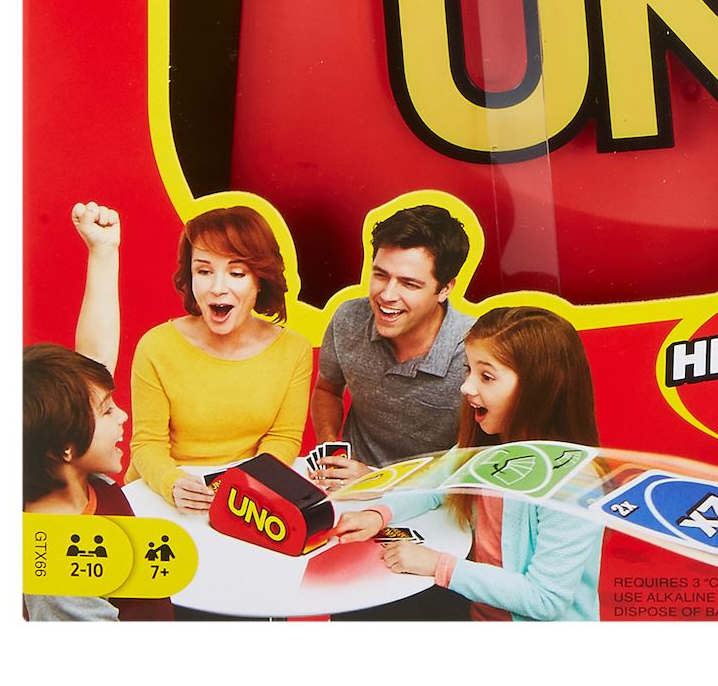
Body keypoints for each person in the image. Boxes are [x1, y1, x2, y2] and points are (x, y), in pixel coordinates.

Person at [334, 306, 602, 621]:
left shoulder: (574, 483)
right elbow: (431, 486)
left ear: (539, 387)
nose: (466, 388)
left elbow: (545, 599)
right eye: (468, 370)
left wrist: (438, 564)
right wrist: (379, 514)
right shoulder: (485, 448)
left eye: (486, 376)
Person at [24, 203, 172, 621]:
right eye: (107, 412)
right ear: (65, 447)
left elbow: (93, 365)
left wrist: (104, 251)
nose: (123, 416)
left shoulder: (79, 475)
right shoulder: (57, 570)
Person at [128, 205, 310, 513]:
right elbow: (147, 444)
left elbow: (284, 437)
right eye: (204, 271)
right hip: (164, 495)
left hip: (247, 494)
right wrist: (173, 483)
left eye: (236, 273)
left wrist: (246, 487)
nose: (217, 288)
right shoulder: (156, 346)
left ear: (260, 280)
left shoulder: (293, 349)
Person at [310, 205, 475, 491]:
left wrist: (379, 483)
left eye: (409, 284)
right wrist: (331, 448)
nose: (387, 295)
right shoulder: (348, 319)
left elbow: (481, 460)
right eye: (381, 275)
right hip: (348, 489)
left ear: (445, 289)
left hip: (435, 497)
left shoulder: (477, 350)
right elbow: (327, 390)